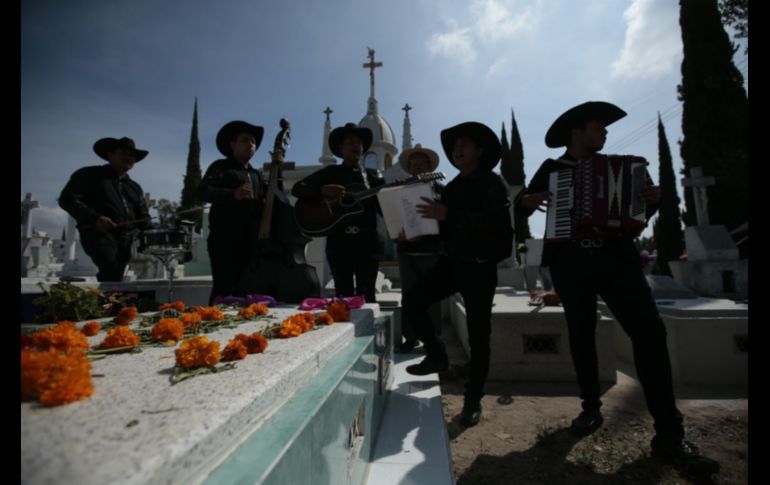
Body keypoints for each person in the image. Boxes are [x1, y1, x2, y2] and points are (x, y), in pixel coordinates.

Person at [515, 101, 719, 477]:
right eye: (598, 127)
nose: (604, 133)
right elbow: (522, 207)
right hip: (571, 264)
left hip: (617, 261)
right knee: (581, 333)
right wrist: (528, 200)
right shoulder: (552, 170)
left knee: (651, 333)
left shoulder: (623, 168)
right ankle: (590, 407)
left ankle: (670, 435)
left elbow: (635, 218)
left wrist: (652, 204)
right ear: (577, 132)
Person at [403, 122, 513, 428]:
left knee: (479, 336)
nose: (457, 150)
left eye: (464, 145)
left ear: (479, 151)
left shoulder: (493, 183)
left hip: (479, 268)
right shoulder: (451, 188)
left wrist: (448, 215)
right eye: (454, 147)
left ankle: (472, 401)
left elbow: (494, 223)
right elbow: (441, 228)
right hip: (451, 264)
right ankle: (438, 355)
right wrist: (413, 232)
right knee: (413, 301)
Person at [292, 123, 385, 302]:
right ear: (341, 148)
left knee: (368, 296)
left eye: (358, 142)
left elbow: (384, 209)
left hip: (369, 244)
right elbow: (298, 188)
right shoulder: (331, 172)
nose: (355, 146)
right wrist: (321, 191)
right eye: (349, 142)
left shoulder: (373, 177)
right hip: (339, 243)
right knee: (343, 295)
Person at [197, 120, 271, 304]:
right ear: (233, 144)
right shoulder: (221, 167)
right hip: (225, 241)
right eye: (245, 140)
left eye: (253, 142)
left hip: (251, 241)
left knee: (246, 290)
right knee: (224, 288)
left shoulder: (256, 175)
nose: (251, 145)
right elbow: (203, 191)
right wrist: (232, 194)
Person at [59, 137, 150, 282]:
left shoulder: (134, 187)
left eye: (132, 156)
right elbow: (67, 199)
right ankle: (109, 302)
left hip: (126, 239)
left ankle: (109, 303)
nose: (128, 158)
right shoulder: (89, 175)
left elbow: (144, 217)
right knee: (110, 267)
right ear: (110, 155)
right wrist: (95, 218)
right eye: (124, 153)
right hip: (98, 234)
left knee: (115, 276)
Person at [394, 144, 444, 352]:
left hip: (432, 250)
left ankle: (433, 340)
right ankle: (411, 336)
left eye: (422, 162)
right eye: (413, 163)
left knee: (432, 297)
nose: (417, 165)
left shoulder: (440, 190)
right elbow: (393, 218)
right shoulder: (399, 190)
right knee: (409, 295)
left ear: (429, 166)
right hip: (407, 251)